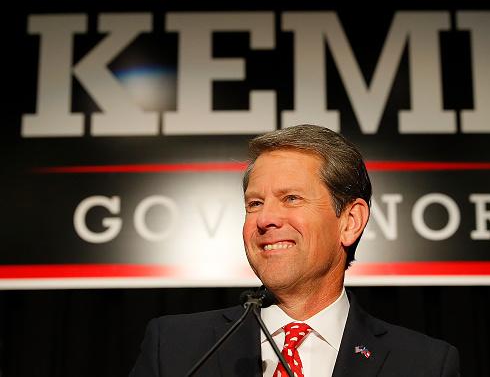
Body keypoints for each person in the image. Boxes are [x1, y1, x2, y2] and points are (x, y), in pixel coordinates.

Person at [130, 124, 460, 377]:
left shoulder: (424, 363)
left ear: (350, 222)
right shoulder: (174, 346)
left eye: (291, 198)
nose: (265, 219)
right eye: (254, 203)